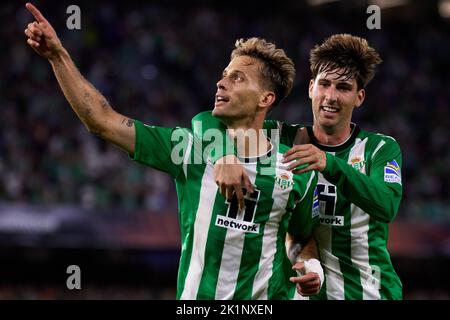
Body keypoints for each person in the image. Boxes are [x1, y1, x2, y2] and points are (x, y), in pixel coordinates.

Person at [24, 3, 324, 299]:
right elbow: (102, 121)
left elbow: (301, 236)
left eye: (237, 78)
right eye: (224, 74)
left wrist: (309, 264)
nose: (221, 83)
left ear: (265, 98)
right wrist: (57, 56)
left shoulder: (294, 167)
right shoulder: (189, 148)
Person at [192, 34, 403, 300]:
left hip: (369, 292)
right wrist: (223, 155)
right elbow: (207, 120)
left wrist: (330, 163)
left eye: (343, 87)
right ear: (311, 88)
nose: (331, 96)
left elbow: (386, 205)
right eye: (324, 84)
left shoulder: (379, 148)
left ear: (359, 97)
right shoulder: (280, 138)